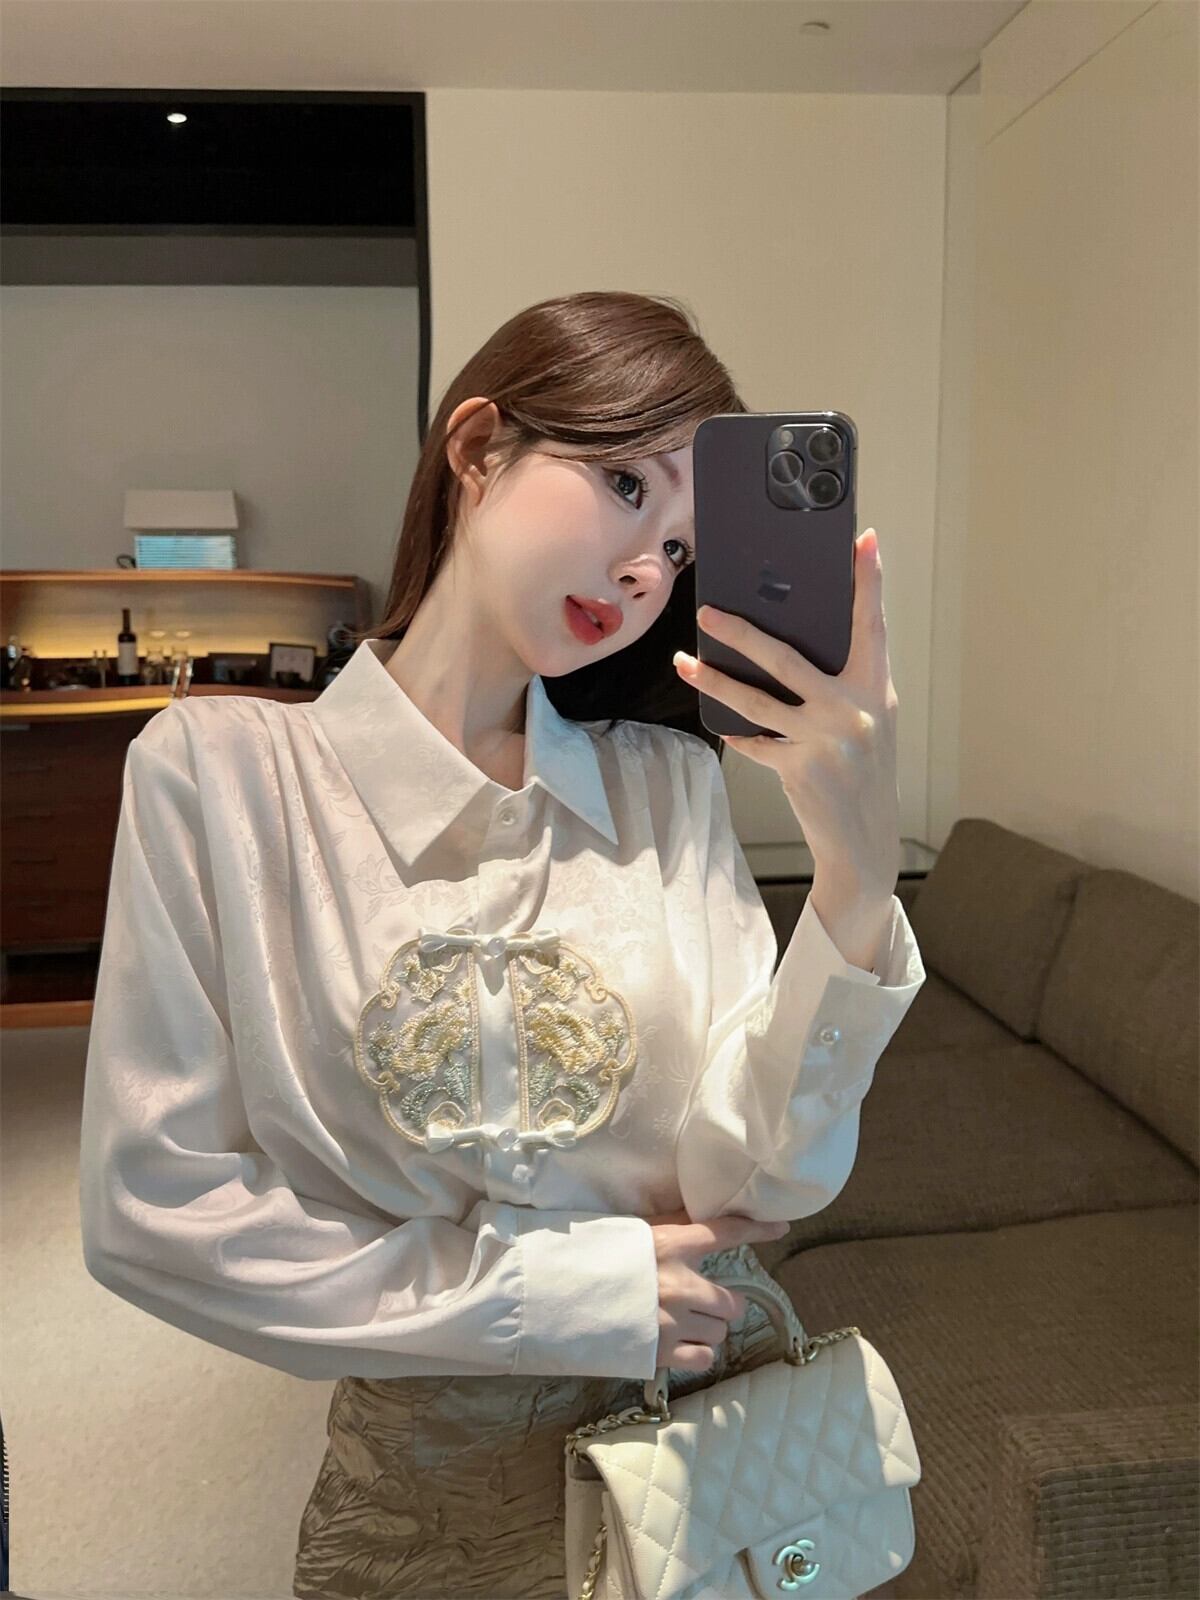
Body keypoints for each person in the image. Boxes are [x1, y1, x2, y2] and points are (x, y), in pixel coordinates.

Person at [77, 290, 926, 1599]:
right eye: (626, 484)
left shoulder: (668, 786)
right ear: (478, 447)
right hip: (429, 1505)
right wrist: (565, 1294)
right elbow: (158, 1210)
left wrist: (857, 881)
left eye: (683, 548)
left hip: (712, 1455)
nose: (648, 571)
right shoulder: (223, 780)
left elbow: (757, 1179)